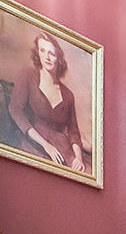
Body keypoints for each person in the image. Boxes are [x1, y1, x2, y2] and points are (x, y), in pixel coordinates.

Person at [7, 29, 88, 174]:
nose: (47, 57)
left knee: (85, 173)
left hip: (63, 147)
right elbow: (16, 110)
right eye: (42, 51)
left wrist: (78, 158)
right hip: (34, 142)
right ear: (37, 52)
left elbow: (73, 131)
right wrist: (46, 145)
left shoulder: (68, 95)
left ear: (59, 58)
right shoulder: (27, 75)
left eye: (52, 53)